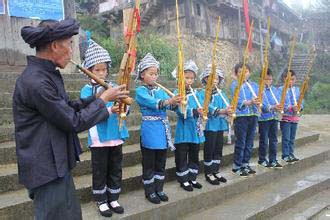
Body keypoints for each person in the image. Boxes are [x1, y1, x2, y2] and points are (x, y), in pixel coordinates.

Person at [13, 18, 128, 220]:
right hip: (45, 167)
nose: (72, 51)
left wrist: (96, 96)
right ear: (55, 46)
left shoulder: (47, 75)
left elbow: (66, 107)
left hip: (56, 164)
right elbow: (72, 121)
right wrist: (103, 101)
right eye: (70, 44)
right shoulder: (37, 82)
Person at [80, 40, 128, 217]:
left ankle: (113, 197)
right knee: (100, 169)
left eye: (104, 69)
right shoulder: (86, 91)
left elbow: (125, 108)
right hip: (98, 138)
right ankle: (101, 200)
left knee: (115, 167)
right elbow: (89, 112)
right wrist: (109, 109)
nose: (101, 73)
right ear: (89, 72)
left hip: (115, 134)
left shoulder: (114, 87)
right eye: (97, 70)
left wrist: (123, 107)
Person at [135, 53, 181, 204]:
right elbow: (154, 103)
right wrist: (169, 100)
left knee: (161, 161)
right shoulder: (140, 91)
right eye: (151, 74)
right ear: (143, 75)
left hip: (162, 129)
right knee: (149, 162)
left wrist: (178, 102)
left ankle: (159, 188)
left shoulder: (160, 90)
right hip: (149, 129)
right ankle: (149, 191)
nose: (155, 77)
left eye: (156, 74)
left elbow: (171, 105)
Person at [172, 60, 205, 191]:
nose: (189, 81)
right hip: (184, 129)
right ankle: (184, 180)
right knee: (181, 155)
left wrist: (202, 111)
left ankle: (192, 177)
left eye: (191, 78)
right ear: (180, 78)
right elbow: (180, 112)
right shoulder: (176, 93)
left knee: (194, 154)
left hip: (195, 130)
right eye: (186, 78)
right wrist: (195, 111)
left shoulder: (196, 93)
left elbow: (202, 105)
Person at [199, 64, 232, 185]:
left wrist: (229, 110)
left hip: (220, 125)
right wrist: (222, 111)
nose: (215, 81)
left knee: (218, 148)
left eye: (217, 79)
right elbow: (206, 107)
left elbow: (227, 105)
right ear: (206, 79)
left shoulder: (221, 93)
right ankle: (208, 173)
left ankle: (216, 170)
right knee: (210, 148)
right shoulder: (203, 93)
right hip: (210, 125)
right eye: (212, 78)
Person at [231, 63, 260, 177]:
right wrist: (249, 102)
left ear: (250, 73)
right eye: (240, 72)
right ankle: (237, 166)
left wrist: (258, 101)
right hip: (241, 116)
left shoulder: (254, 85)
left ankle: (245, 164)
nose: (243, 74)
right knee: (241, 142)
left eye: (246, 71)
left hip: (253, 115)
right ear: (236, 74)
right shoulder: (235, 85)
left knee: (249, 142)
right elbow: (237, 101)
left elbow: (258, 97)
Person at [258, 68, 283, 168]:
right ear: (261, 79)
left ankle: (273, 160)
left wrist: (278, 106)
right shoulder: (259, 90)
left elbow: (278, 101)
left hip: (274, 118)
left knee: (274, 140)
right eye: (266, 79)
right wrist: (272, 107)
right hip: (264, 119)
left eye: (270, 79)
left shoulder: (275, 90)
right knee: (263, 140)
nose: (268, 81)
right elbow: (262, 105)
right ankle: (262, 159)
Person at [279, 69, 302, 163]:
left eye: (293, 79)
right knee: (286, 138)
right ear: (284, 79)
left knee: (292, 138)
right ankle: (285, 155)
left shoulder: (296, 89)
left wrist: (299, 107)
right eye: (289, 79)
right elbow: (281, 102)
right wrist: (289, 107)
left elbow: (301, 101)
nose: (291, 81)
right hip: (285, 117)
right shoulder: (281, 89)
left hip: (295, 118)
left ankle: (291, 153)